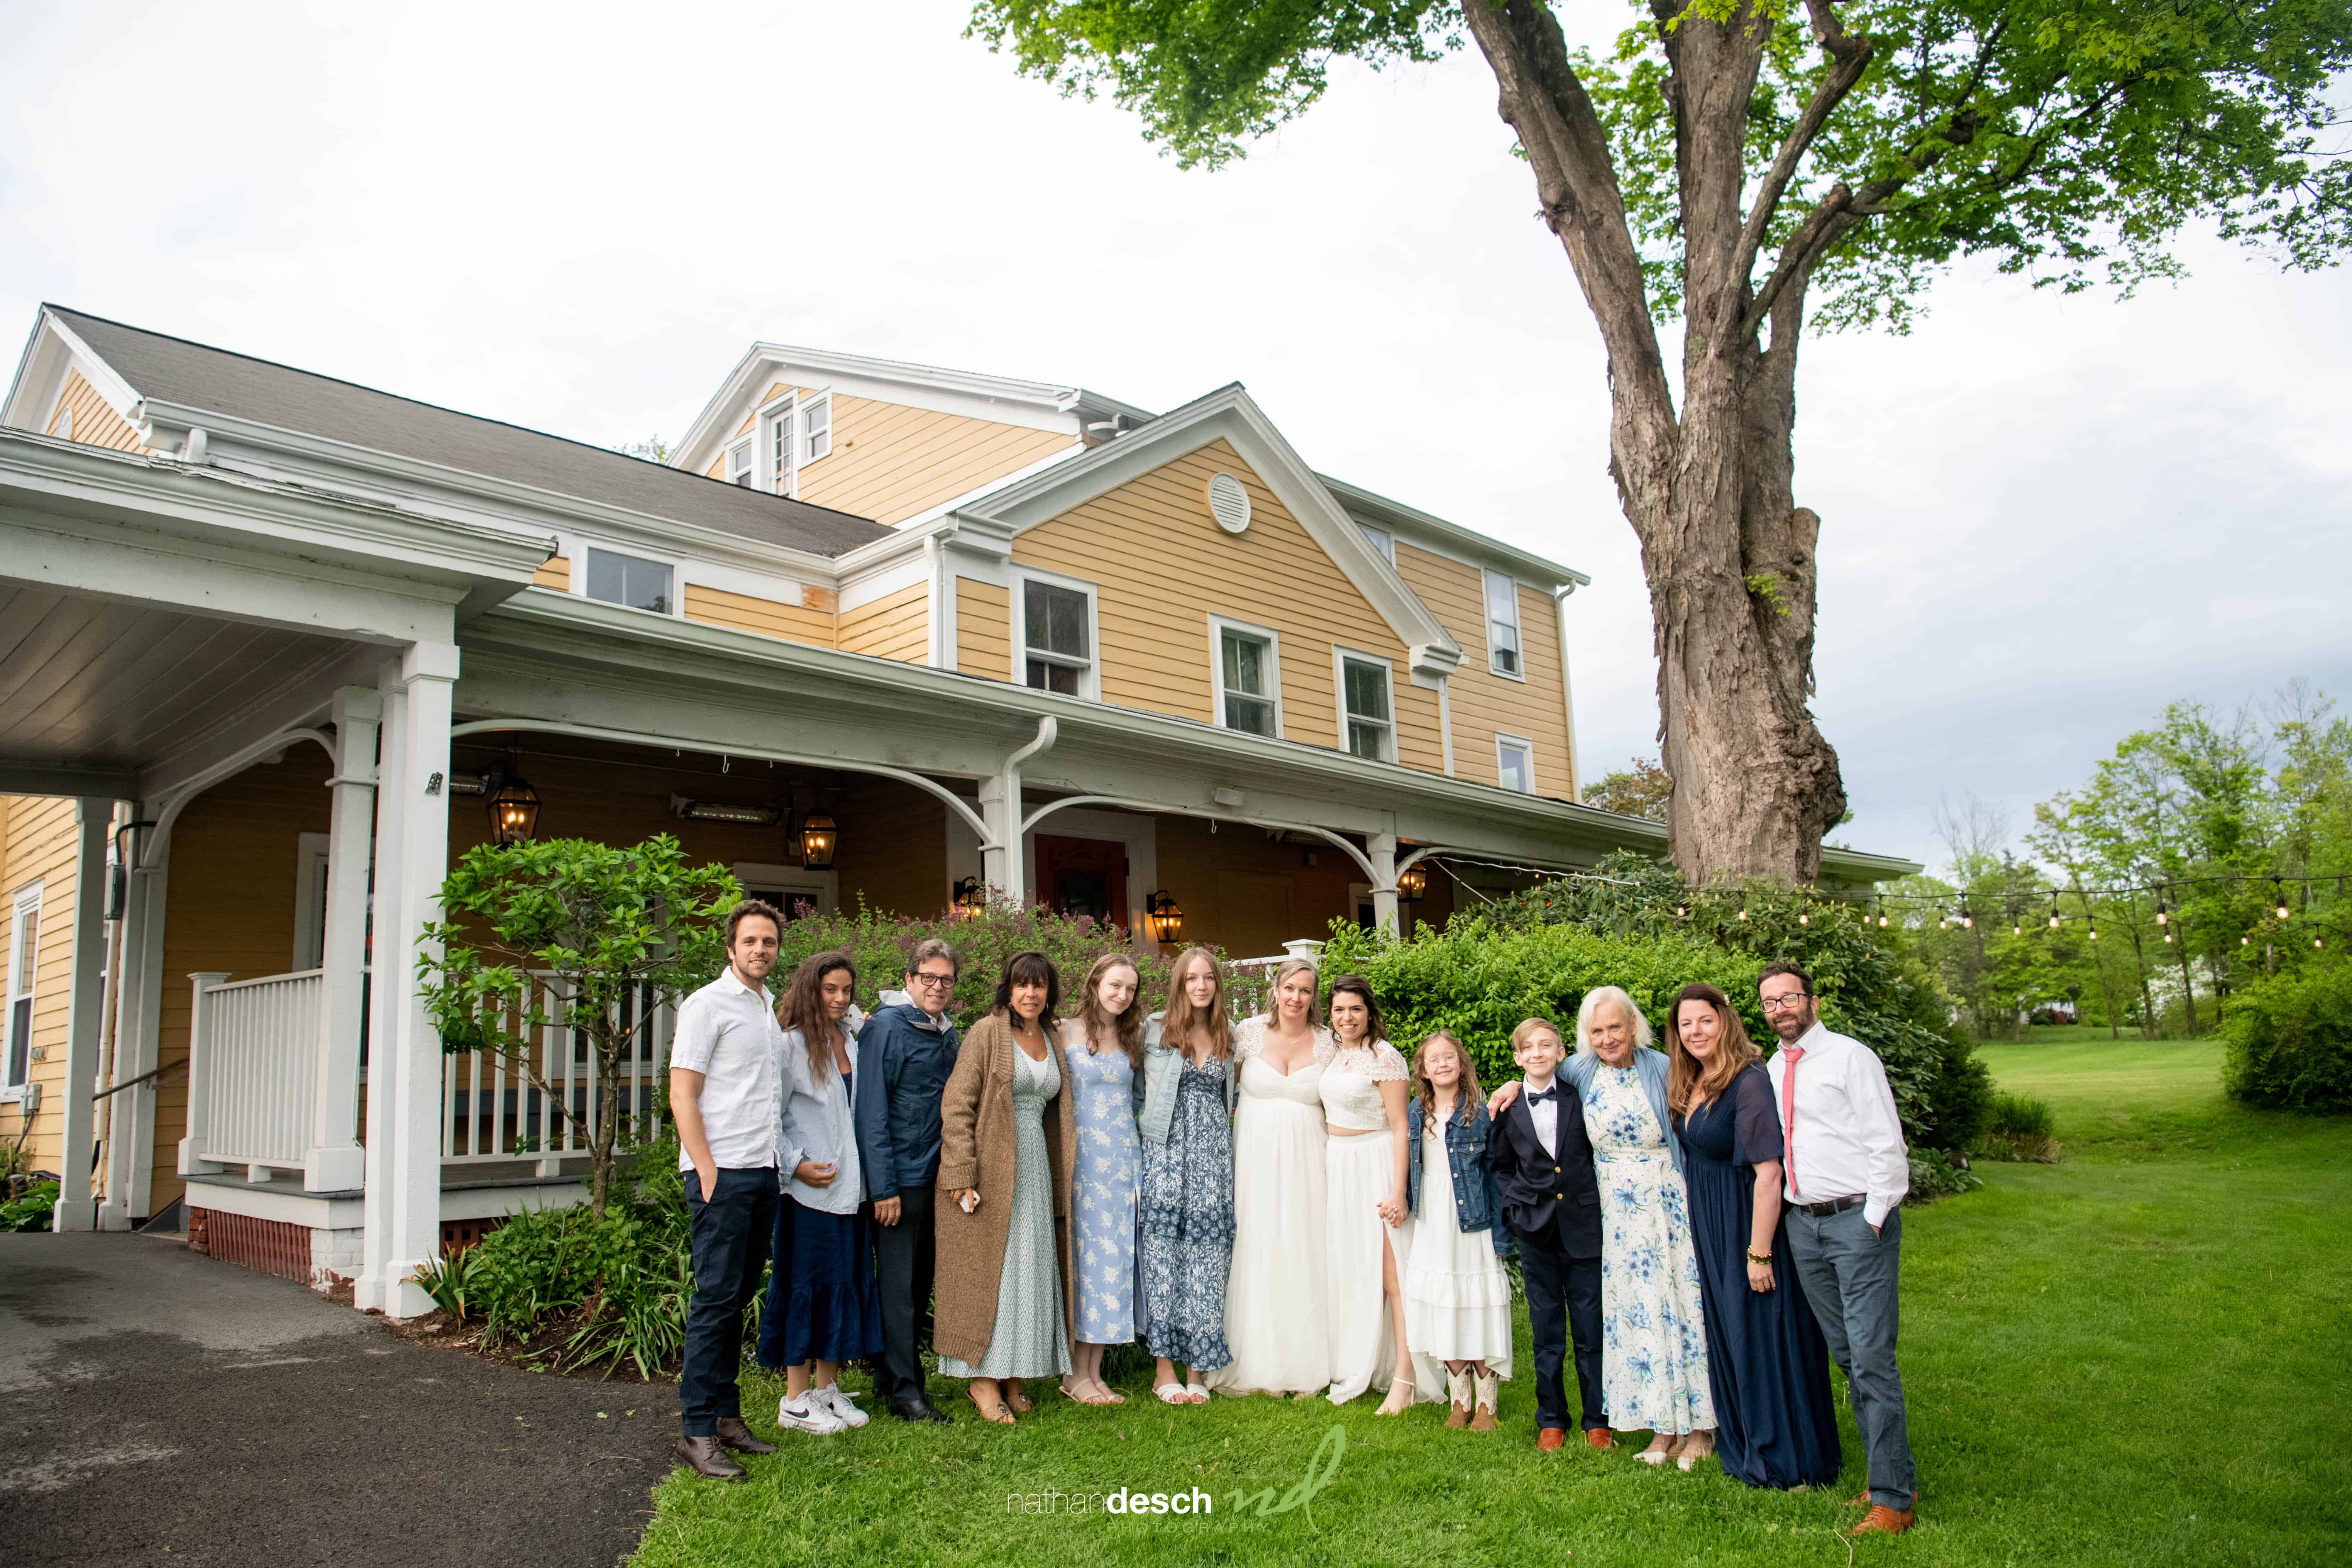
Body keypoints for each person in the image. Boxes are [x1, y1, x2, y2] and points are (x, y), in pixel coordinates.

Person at [1758, 961, 1919, 1537]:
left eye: (1789, 997)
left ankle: (1893, 1500)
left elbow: (1885, 1139)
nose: (1780, 1008)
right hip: (1805, 1226)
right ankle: (1892, 1473)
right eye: (1770, 1002)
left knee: (1872, 1358)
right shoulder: (1775, 1067)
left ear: (1813, 1000)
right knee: (1849, 1356)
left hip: (1857, 1221)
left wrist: (1875, 1216)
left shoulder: (1851, 1057)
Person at [1666, 982, 1841, 1489]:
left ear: (1725, 1021)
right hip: (1711, 1223)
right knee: (1732, 1336)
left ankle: (1787, 1455)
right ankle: (1746, 1440)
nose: (1696, 1031)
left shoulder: (1748, 1081)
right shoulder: (1693, 1079)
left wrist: (1758, 1252)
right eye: (1686, 1024)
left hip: (1748, 1225)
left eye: (1705, 1020)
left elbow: (1769, 1173)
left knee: (1762, 1337)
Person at [668, 898, 789, 1482]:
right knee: (715, 1299)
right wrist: (706, 1168)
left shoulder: (767, 1008)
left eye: (768, 941)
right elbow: (682, 1094)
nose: (760, 949)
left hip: (762, 1170)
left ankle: (724, 1416)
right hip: (722, 1173)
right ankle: (695, 1430)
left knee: (737, 1295)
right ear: (730, 947)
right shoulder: (706, 1005)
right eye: (750, 941)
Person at [934, 951, 1077, 1424]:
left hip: (1036, 1165)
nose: (1030, 994)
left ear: (1049, 993)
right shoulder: (986, 1032)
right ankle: (981, 1379)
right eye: (1022, 985)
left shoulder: (1051, 1036)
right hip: (992, 1168)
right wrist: (960, 1173)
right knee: (992, 1273)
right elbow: (957, 1104)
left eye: (1039, 986)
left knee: (1030, 1270)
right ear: (1008, 989)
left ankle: (1015, 1377)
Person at [762, 950, 880, 1437]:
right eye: (829, 990)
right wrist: (795, 1165)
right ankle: (794, 1399)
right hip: (808, 1193)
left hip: (850, 1190)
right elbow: (770, 1114)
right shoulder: (789, 1046)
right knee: (806, 1289)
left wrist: (855, 1014)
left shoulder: (849, 1040)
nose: (838, 998)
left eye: (846, 990)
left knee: (843, 1284)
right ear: (810, 990)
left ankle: (827, 1389)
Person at [1206, 957, 1333, 1397]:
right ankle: (1258, 1358)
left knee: (1304, 1245)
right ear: (1275, 989)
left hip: (1310, 1161)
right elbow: (1216, 1082)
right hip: (1255, 1161)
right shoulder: (1248, 1033)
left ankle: (1310, 1359)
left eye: (1306, 991)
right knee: (1259, 1246)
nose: (1296, 998)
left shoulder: (1329, 1042)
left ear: (1314, 998)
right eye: (1290, 988)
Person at [852, 938, 963, 1424]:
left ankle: (889, 1375)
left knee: (918, 1285)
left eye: (946, 980)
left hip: (936, 1176)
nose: (938, 987)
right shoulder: (886, 1028)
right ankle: (905, 1391)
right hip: (900, 1178)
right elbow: (871, 1111)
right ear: (909, 980)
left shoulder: (946, 1033)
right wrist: (884, 1188)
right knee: (898, 1286)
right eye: (929, 978)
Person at [1486, 1017, 1609, 1453]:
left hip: (1583, 1228)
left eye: (1547, 1046)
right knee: (1547, 1331)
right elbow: (1500, 1167)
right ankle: (1552, 1418)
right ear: (1518, 1057)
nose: (1538, 1054)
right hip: (1535, 1231)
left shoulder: (1583, 1097)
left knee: (1591, 1328)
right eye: (1529, 1048)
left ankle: (1599, 1419)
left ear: (1561, 1053)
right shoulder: (1507, 1108)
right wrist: (1515, 1208)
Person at [1134, 945, 1238, 1405]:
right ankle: (1164, 1371)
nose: (1200, 986)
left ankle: (1198, 1370)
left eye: (1209, 978)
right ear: (1180, 983)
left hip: (1213, 1157)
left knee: (1208, 1257)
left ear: (1217, 984)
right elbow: (1133, 1087)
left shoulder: (1229, 1034)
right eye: (1192, 978)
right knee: (1163, 1256)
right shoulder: (1154, 1030)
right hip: (1165, 1150)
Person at [1400, 1031, 1514, 1432]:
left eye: (1450, 1057)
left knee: (1476, 1305)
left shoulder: (1480, 1114)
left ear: (1461, 1064)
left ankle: (1487, 1404)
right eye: (1435, 1060)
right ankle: (1459, 1399)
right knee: (1441, 1303)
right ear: (1425, 1071)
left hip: (1472, 1219)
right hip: (1433, 1220)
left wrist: (1501, 1235)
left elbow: (1496, 1177)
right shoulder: (1417, 1112)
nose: (1443, 1064)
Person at [1321, 974, 1416, 1413]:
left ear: (1369, 1012)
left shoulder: (1385, 1058)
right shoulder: (1332, 1053)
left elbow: (1401, 1128)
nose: (1347, 1017)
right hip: (1338, 1165)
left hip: (1375, 1162)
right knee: (1354, 1269)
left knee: (1392, 1276)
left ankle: (1406, 1378)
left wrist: (1398, 1190)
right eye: (1339, 1010)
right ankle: (1363, 1362)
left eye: (1355, 1009)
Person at [1062, 952, 1145, 1405]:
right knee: (1088, 1263)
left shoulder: (1131, 1036)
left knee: (1115, 1263)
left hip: (1124, 1160)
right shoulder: (1064, 1031)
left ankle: (1092, 1371)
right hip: (1083, 1165)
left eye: (1130, 989)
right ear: (1095, 983)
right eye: (1115, 985)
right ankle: (1074, 1372)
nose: (1121, 995)